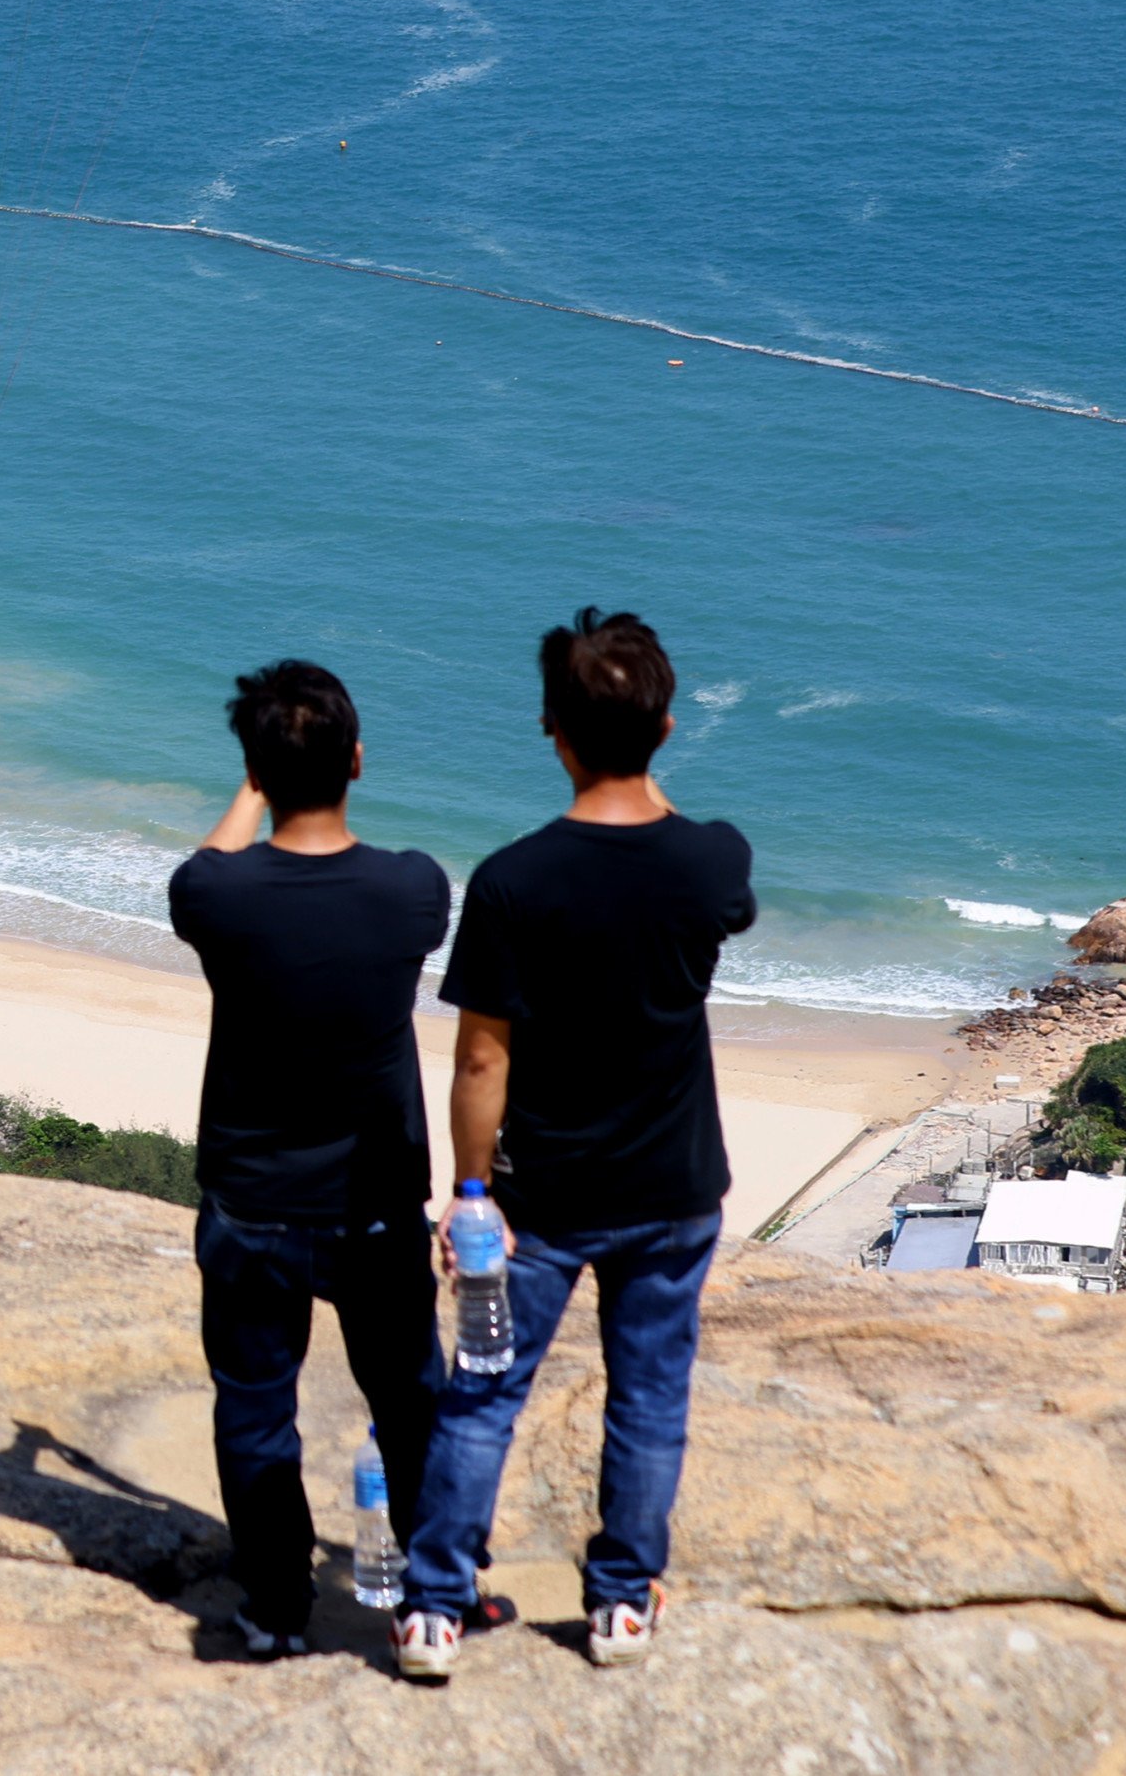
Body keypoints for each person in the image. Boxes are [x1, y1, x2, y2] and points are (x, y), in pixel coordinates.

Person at [394, 609, 754, 1685]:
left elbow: (479, 1064)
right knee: (647, 1394)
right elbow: (695, 858)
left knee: (485, 1390)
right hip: (675, 1186)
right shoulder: (712, 860)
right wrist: (648, 773)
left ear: (552, 731)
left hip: (540, 1192)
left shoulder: (511, 879)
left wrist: (467, 1192)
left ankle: (434, 1610)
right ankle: (620, 1606)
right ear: (669, 726)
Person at [166, 660, 456, 1660]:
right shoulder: (414, 888)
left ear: (253, 769)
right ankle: (433, 1600)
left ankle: (277, 1605)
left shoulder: (217, 894)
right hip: (375, 1199)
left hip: (250, 1197)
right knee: (412, 1404)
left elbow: (210, 864)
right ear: (359, 759)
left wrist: (254, 781)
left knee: (254, 1409)